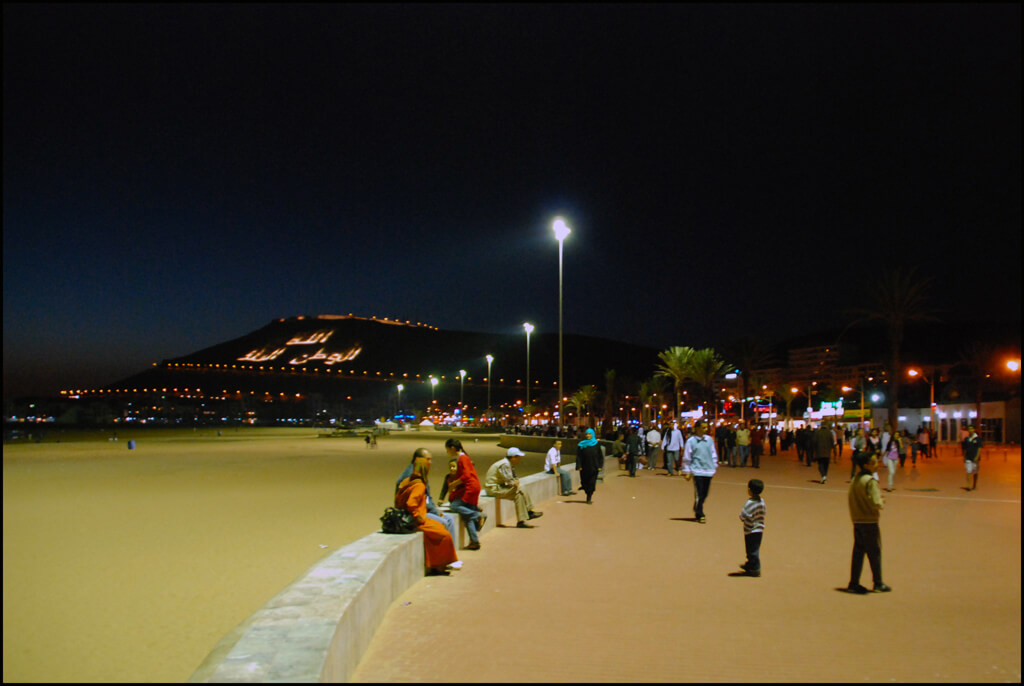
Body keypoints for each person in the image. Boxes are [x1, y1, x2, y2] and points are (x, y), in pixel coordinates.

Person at [395, 450, 459, 576]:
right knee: (443, 534)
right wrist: (418, 517)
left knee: (441, 528)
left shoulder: (410, 479)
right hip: (415, 518)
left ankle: (442, 562)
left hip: (417, 515)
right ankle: (439, 564)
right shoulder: (419, 484)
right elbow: (411, 504)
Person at [845, 451, 891, 594]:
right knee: (874, 551)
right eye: (874, 461)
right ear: (867, 464)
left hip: (857, 519)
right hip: (869, 520)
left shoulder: (855, 479)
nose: (876, 463)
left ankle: (854, 581)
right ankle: (878, 583)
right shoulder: (870, 481)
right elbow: (876, 502)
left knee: (858, 551)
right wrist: (881, 502)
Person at [396, 448, 457, 544]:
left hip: (423, 510)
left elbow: (427, 497)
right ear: (419, 459)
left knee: (449, 519)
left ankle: (451, 549)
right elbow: (415, 503)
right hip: (415, 514)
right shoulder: (414, 476)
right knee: (445, 522)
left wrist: (435, 510)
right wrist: (435, 512)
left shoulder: (417, 472)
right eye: (428, 459)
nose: (430, 462)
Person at [444, 438, 485, 550]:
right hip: (473, 487)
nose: (447, 452)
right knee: (467, 518)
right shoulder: (464, 458)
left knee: (455, 506)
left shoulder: (462, 458)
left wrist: (453, 484)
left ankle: (477, 515)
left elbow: (466, 476)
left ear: (452, 448)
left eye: (447, 450)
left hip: (470, 488)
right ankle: (474, 541)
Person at [485, 447, 542, 527]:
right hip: (493, 489)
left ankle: (521, 521)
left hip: (498, 487)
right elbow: (511, 481)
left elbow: (515, 479)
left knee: (518, 495)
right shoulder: (505, 465)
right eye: (518, 457)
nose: (520, 459)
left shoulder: (508, 463)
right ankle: (529, 511)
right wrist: (515, 482)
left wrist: (515, 482)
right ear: (513, 457)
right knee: (520, 487)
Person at [681, 421, 718, 523]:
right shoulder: (691, 441)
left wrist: (714, 465)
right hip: (697, 470)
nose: (706, 429)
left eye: (706, 427)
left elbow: (713, 453)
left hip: (709, 470)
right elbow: (687, 457)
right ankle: (700, 513)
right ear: (697, 429)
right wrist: (686, 471)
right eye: (703, 427)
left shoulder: (709, 439)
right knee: (699, 492)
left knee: (705, 493)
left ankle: (698, 505)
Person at [730, 478, 765, 577]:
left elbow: (743, 515)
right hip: (759, 528)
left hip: (751, 529)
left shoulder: (750, 503)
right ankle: (750, 564)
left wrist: (742, 517)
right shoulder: (762, 501)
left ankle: (756, 568)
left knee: (751, 550)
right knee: (754, 548)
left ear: (750, 490)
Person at [575, 428, 604, 503]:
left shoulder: (596, 444)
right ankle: (585, 488)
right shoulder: (581, 444)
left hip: (594, 467)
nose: (588, 435)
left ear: (592, 434)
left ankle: (589, 497)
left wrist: (600, 466)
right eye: (587, 434)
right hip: (584, 467)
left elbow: (600, 456)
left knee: (591, 482)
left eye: (589, 434)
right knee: (584, 481)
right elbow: (578, 456)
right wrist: (579, 465)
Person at [962, 425, 982, 491]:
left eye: (971, 429)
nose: (970, 430)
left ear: (974, 430)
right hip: (968, 458)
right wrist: (964, 457)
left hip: (975, 458)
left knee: (975, 472)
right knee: (968, 471)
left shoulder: (978, 438)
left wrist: (977, 456)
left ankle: (974, 484)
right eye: (969, 429)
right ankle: (969, 485)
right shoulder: (966, 439)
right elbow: (964, 449)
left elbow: (979, 448)